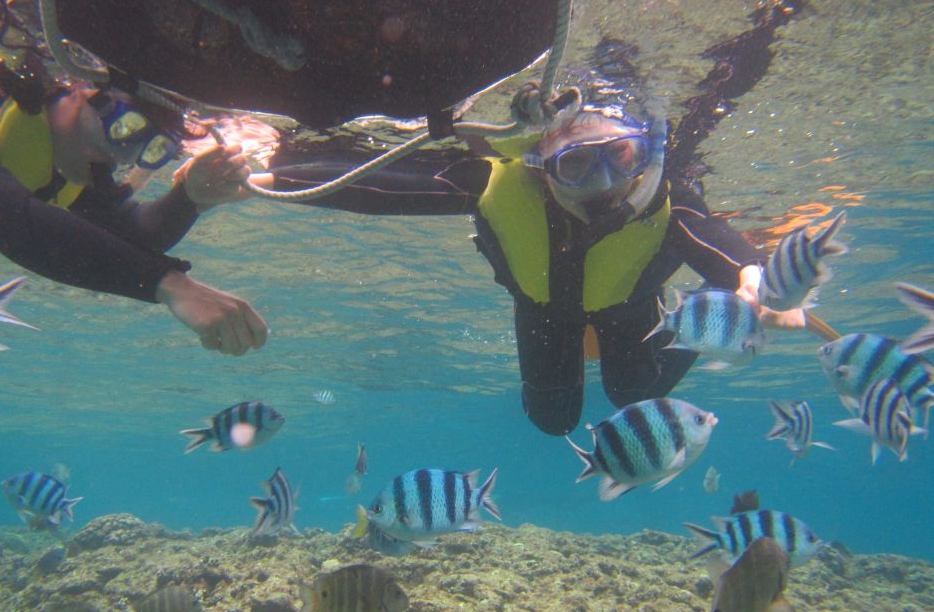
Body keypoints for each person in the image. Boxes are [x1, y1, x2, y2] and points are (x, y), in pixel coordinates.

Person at [245, 95, 805, 435]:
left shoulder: (667, 198)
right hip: (544, 311)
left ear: (644, 153)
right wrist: (265, 177)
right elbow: (377, 186)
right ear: (540, 165)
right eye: (576, 165)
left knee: (634, 396)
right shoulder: (497, 185)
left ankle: (698, 318)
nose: (604, 184)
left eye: (621, 156)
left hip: (630, 306)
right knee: (552, 420)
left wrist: (754, 280)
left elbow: (716, 240)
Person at [0, 53, 266, 356]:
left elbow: (128, 236)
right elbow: (17, 223)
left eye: (150, 149)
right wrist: (173, 286)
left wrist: (188, 198)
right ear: (79, 90)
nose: (118, 155)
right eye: (124, 127)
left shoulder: (61, 161)